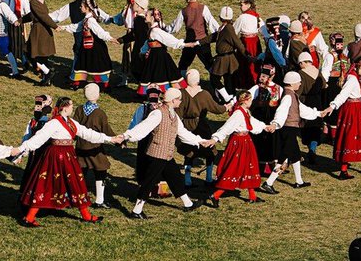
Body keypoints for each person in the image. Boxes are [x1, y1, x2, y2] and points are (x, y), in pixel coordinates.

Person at [15, 96, 123, 226]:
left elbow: (88, 133)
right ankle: (29, 217)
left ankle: (86, 215)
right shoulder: (54, 123)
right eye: (71, 105)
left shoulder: (71, 122)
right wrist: (21, 150)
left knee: (75, 183)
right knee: (46, 184)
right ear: (65, 108)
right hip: (54, 157)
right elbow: (38, 139)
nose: (73, 107)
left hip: (68, 155)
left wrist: (110, 139)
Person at [120, 87, 203, 219]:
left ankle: (188, 203)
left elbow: (182, 133)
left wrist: (200, 141)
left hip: (167, 155)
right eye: (179, 99)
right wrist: (126, 136)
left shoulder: (174, 115)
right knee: (148, 182)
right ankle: (136, 211)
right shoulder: (157, 114)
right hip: (157, 155)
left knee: (175, 177)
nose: (181, 102)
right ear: (173, 100)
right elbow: (142, 128)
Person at [321, 56, 361, 180]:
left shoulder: (354, 77)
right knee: (350, 137)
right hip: (352, 111)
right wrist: (332, 106)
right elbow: (343, 94)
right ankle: (346, 170)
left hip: (356, 109)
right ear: (360, 66)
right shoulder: (351, 79)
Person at [202, 90, 267, 207]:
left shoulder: (245, 111)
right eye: (250, 99)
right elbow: (227, 127)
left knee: (249, 167)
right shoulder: (238, 114)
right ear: (245, 100)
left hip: (246, 142)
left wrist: (264, 126)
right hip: (239, 144)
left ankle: (252, 196)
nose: (252, 101)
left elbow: (252, 122)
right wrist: (215, 139)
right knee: (235, 168)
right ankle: (216, 195)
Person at [260, 71, 320, 194]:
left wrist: (318, 113)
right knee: (284, 157)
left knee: (295, 155)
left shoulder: (291, 95)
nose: (300, 84)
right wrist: (275, 124)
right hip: (288, 130)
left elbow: (301, 109)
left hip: (290, 129)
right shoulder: (288, 96)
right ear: (293, 83)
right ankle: (269, 183)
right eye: (298, 82)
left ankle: (299, 181)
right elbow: (281, 112)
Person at [74, 84, 117, 209]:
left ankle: (76, 196)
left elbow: (75, 127)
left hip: (80, 146)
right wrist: (117, 140)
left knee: (81, 172)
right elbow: (106, 129)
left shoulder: (79, 109)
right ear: (98, 95)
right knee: (101, 171)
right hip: (95, 148)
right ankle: (99, 200)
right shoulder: (100, 113)